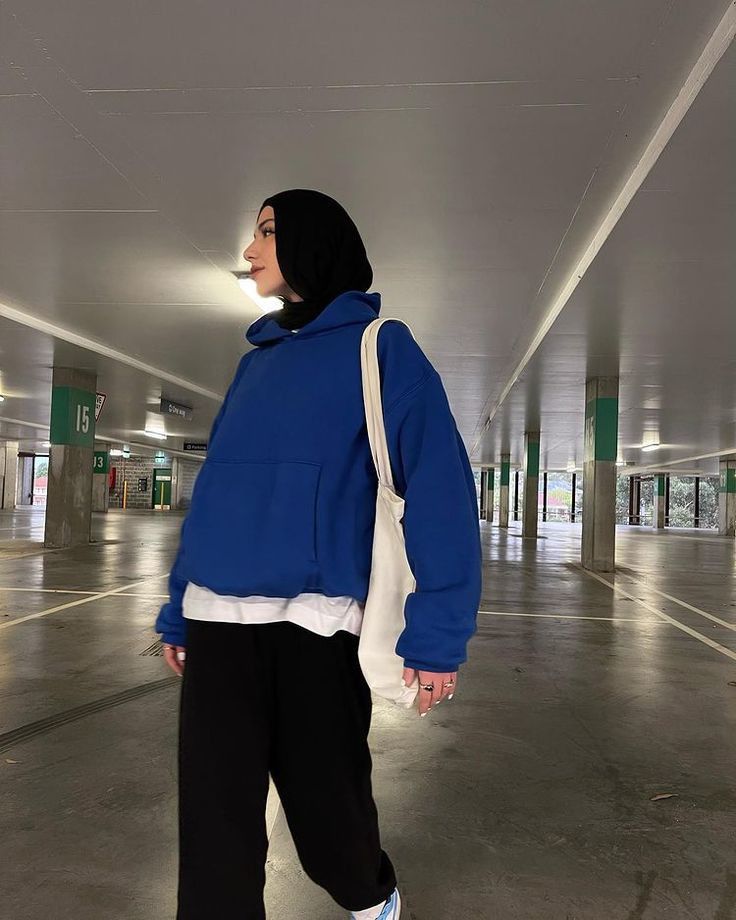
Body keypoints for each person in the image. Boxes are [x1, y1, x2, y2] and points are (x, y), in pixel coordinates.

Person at [156, 189, 482, 920]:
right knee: (213, 829)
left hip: (318, 625)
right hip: (217, 621)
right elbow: (215, 498)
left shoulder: (381, 348)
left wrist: (438, 637)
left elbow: (440, 493)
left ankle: (372, 897)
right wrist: (179, 610)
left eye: (267, 232)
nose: (250, 250)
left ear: (312, 242)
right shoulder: (254, 365)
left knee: (329, 815)